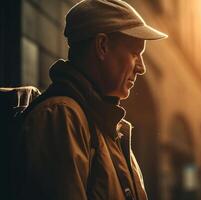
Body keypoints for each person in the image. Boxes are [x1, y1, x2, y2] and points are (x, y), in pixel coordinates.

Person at [11, 0, 167, 199]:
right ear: (102, 46)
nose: (142, 67)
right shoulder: (62, 117)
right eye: (135, 53)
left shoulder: (107, 127)